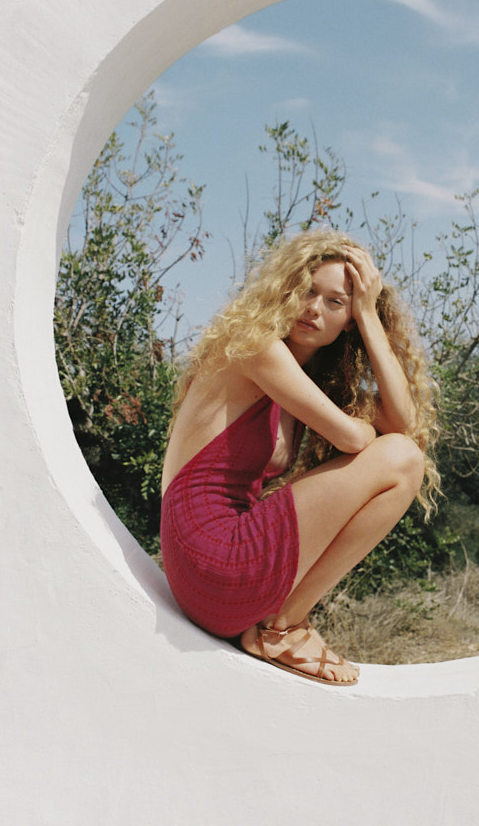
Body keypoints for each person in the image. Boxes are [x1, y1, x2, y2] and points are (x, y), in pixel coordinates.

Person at [160, 229, 438, 686]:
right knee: (401, 459)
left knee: (404, 453)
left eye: (335, 302)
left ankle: (282, 624)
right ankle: (283, 628)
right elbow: (355, 437)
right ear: (286, 289)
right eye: (307, 291)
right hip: (211, 560)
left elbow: (403, 421)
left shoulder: (309, 380)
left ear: (348, 321)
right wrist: (362, 430)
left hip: (211, 572)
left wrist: (369, 316)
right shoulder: (255, 345)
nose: (313, 308)